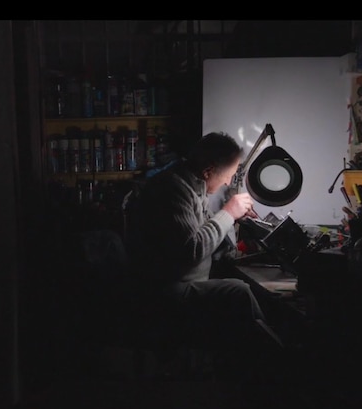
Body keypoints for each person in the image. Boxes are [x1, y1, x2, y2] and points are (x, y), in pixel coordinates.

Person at [123, 131, 288, 379]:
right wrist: (228, 213)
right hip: (163, 291)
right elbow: (191, 250)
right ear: (209, 170)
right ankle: (277, 367)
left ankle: (264, 361)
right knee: (238, 292)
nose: (227, 182)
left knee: (246, 296)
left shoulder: (191, 186)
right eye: (229, 175)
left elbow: (203, 233)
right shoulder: (172, 190)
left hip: (180, 284)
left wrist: (234, 226)